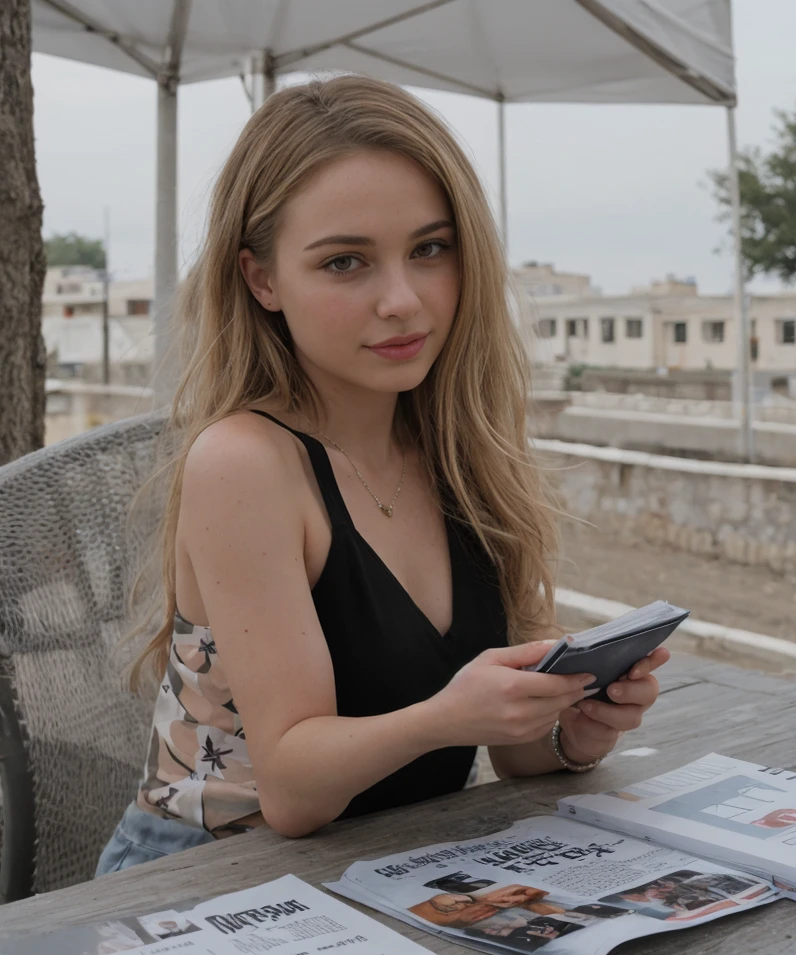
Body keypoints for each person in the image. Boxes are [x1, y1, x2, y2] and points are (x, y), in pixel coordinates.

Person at [96, 74, 668, 875]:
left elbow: (512, 755)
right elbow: (293, 791)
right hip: (206, 883)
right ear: (263, 280)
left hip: (398, 867)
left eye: (430, 250)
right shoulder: (244, 463)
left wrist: (570, 729)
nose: (403, 300)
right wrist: (446, 717)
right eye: (345, 263)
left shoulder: (460, 449)